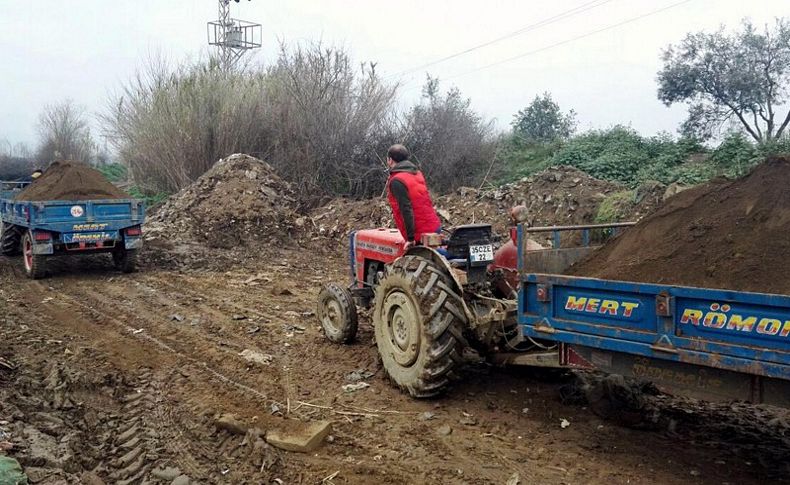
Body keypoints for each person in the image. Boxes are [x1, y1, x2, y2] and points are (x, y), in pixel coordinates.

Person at [385, 144, 441, 250]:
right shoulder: (417, 173)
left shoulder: (397, 181)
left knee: (433, 257)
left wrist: (410, 239)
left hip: (420, 233)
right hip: (434, 225)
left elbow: (406, 210)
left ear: (390, 160)